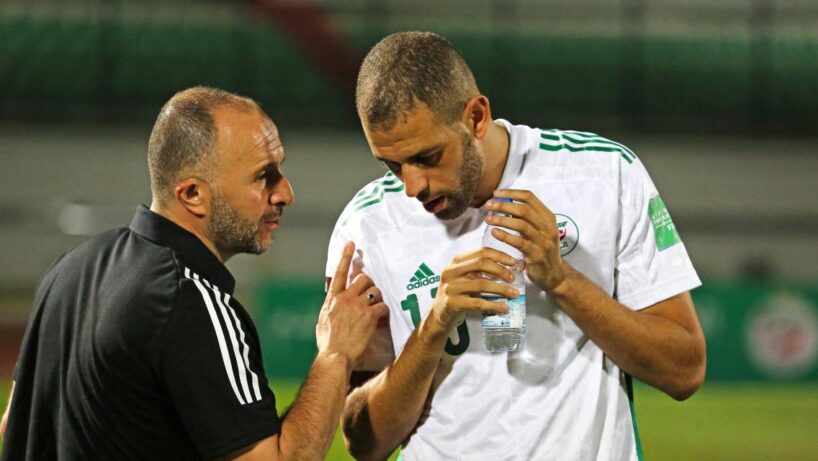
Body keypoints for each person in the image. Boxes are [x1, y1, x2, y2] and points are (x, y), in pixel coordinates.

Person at [327, 32, 707, 460]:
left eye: (428, 157)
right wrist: (433, 326)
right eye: (391, 165)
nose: (412, 186)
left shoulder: (604, 175)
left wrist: (562, 280)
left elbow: (684, 370)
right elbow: (363, 442)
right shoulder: (367, 224)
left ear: (476, 116)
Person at [0, 86, 387, 460]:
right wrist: (336, 354)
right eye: (262, 176)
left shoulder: (70, 267)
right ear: (192, 195)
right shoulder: (191, 301)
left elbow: (14, 423)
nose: (285, 193)